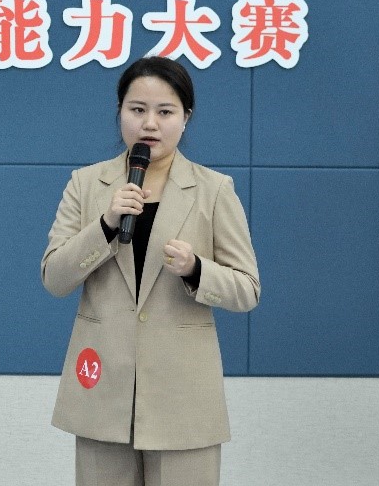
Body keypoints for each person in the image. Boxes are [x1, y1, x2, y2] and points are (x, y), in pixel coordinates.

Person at [41, 55, 260, 486]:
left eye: (165, 112)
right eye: (137, 109)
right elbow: (54, 277)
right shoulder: (86, 184)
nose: (149, 124)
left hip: (183, 399)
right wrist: (105, 226)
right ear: (119, 111)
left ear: (186, 117)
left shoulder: (214, 190)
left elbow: (247, 289)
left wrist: (197, 270)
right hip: (104, 393)